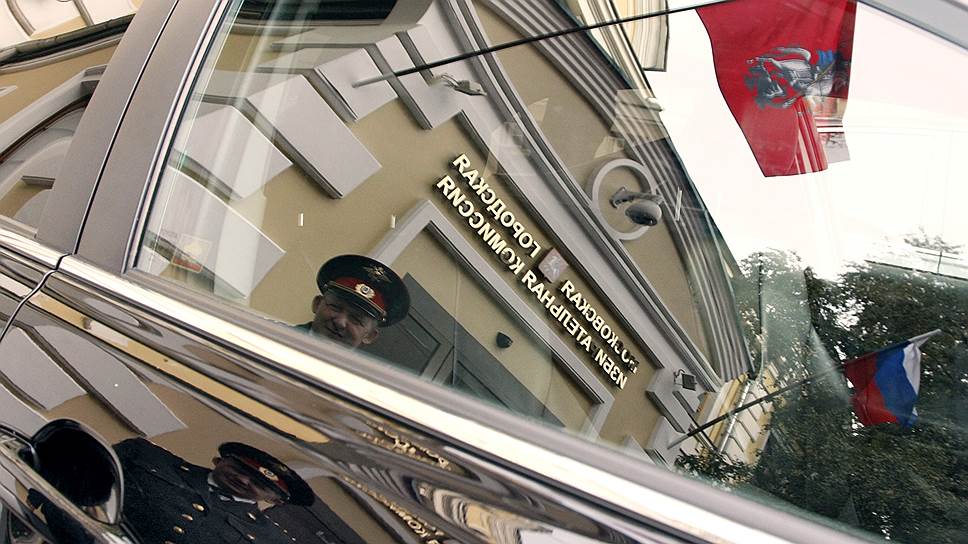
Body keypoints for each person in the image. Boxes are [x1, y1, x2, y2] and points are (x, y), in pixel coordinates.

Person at [114, 437, 314, 544]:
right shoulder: (146, 456)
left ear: (275, 501)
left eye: (259, 483)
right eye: (239, 469)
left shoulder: (271, 539)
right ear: (218, 461)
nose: (243, 480)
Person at [299, 255, 410, 349]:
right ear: (317, 304)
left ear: (370, 336)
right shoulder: (286, 342)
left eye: (356, 319)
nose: (340, 322)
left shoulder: (358, 369)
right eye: (335, 307)